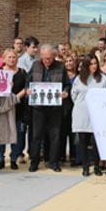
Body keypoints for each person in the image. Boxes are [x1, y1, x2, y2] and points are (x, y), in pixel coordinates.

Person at [28, 44, 71, 172]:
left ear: (54, 56)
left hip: (55, 108)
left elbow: (67, 84)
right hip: (38, 107)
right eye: (45, 58)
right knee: (36, 136)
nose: (47, 60)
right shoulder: (35, 65)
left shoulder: (60, 66)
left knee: (55, 135)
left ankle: (54, 162)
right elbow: (28, 81)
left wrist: (65, 92)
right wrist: (28, 90)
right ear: (40, 56)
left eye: (50, 58)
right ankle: (34, 162)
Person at [72, 55, 106, 177]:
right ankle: (85, 166)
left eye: (95, 63)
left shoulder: (102, 78)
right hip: (82, 113)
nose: (93, 66)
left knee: (96, 141)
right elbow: (74, 95)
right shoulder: (79, 79)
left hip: (97, 114)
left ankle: (97, 166)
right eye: (91, 64)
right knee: (83, 141)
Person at [0, 49, 28, 170]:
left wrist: (16, 97)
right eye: (9, 57)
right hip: (2, 107)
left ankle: (14, 158)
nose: (11, 59)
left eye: (14, 57)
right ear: (3, 59)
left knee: (17, 134)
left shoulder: (22, 72)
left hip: (18, 107)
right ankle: (0, 158)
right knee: (1, 133)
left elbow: (26, 87)